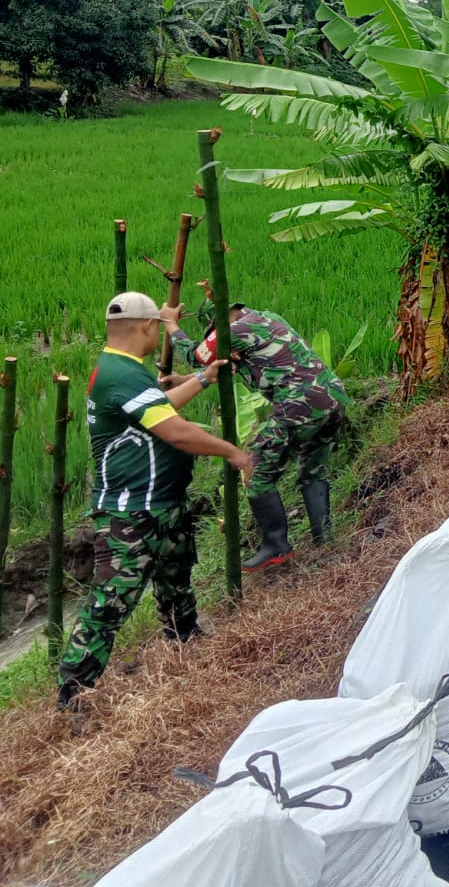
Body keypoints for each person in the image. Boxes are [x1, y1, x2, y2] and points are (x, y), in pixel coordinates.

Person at [57, 293, 253, 709]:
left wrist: (201, 379)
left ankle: (185, 639)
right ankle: (73, 691)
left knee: (176, 575)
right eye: (157, 327)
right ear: (147, 327)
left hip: (162, 502)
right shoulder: (119, 374)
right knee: (113, 599)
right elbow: (175, 432)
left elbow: (158, 411)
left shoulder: (123, 367)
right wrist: (233, 452)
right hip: (131, 511)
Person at [164, 298, 350, 569]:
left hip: (298, 406)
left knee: (255, 472)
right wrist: (187, 381)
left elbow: (196, 354)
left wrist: (170, 323)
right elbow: (237, 365)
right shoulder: (265, 318)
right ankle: (324, 539)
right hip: (331, 399)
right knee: (313, 472)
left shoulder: (235, 331)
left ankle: (277, 546)